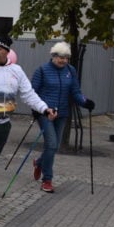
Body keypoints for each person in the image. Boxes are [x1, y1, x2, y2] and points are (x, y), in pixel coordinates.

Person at [0, 36, 56, 216]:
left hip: (4, 123)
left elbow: (28, 94)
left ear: (7, 51)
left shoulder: (16, 70)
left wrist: (44, 109)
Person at [30, 42, 94, 193]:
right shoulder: (42, 70)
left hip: (62, 113)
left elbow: (75, 92)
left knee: (54, 146)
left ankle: (39, 162)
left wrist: (85, 102)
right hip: (45, 113)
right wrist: (37, 109)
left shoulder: (71, 71)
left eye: (66, 58)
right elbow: (32, 92)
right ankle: (47, 180)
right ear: (53, 56)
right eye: (60, 57)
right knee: (52, 144)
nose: (63, 60)